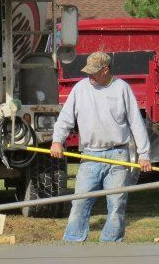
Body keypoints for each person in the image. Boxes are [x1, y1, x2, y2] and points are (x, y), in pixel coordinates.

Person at [50, 51, 152, 242]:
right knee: (80, 201)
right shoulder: (80, 89)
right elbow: (65, 118)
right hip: (90, 156)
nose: (90, 76)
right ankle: (73, 240)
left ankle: (110, 244)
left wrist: (144, 154)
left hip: (118, 155)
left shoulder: (122, 89)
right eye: (88, 72)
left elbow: (136, 123)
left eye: (94, 72)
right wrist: (57, 141)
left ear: (106, 70)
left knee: (116, 204)